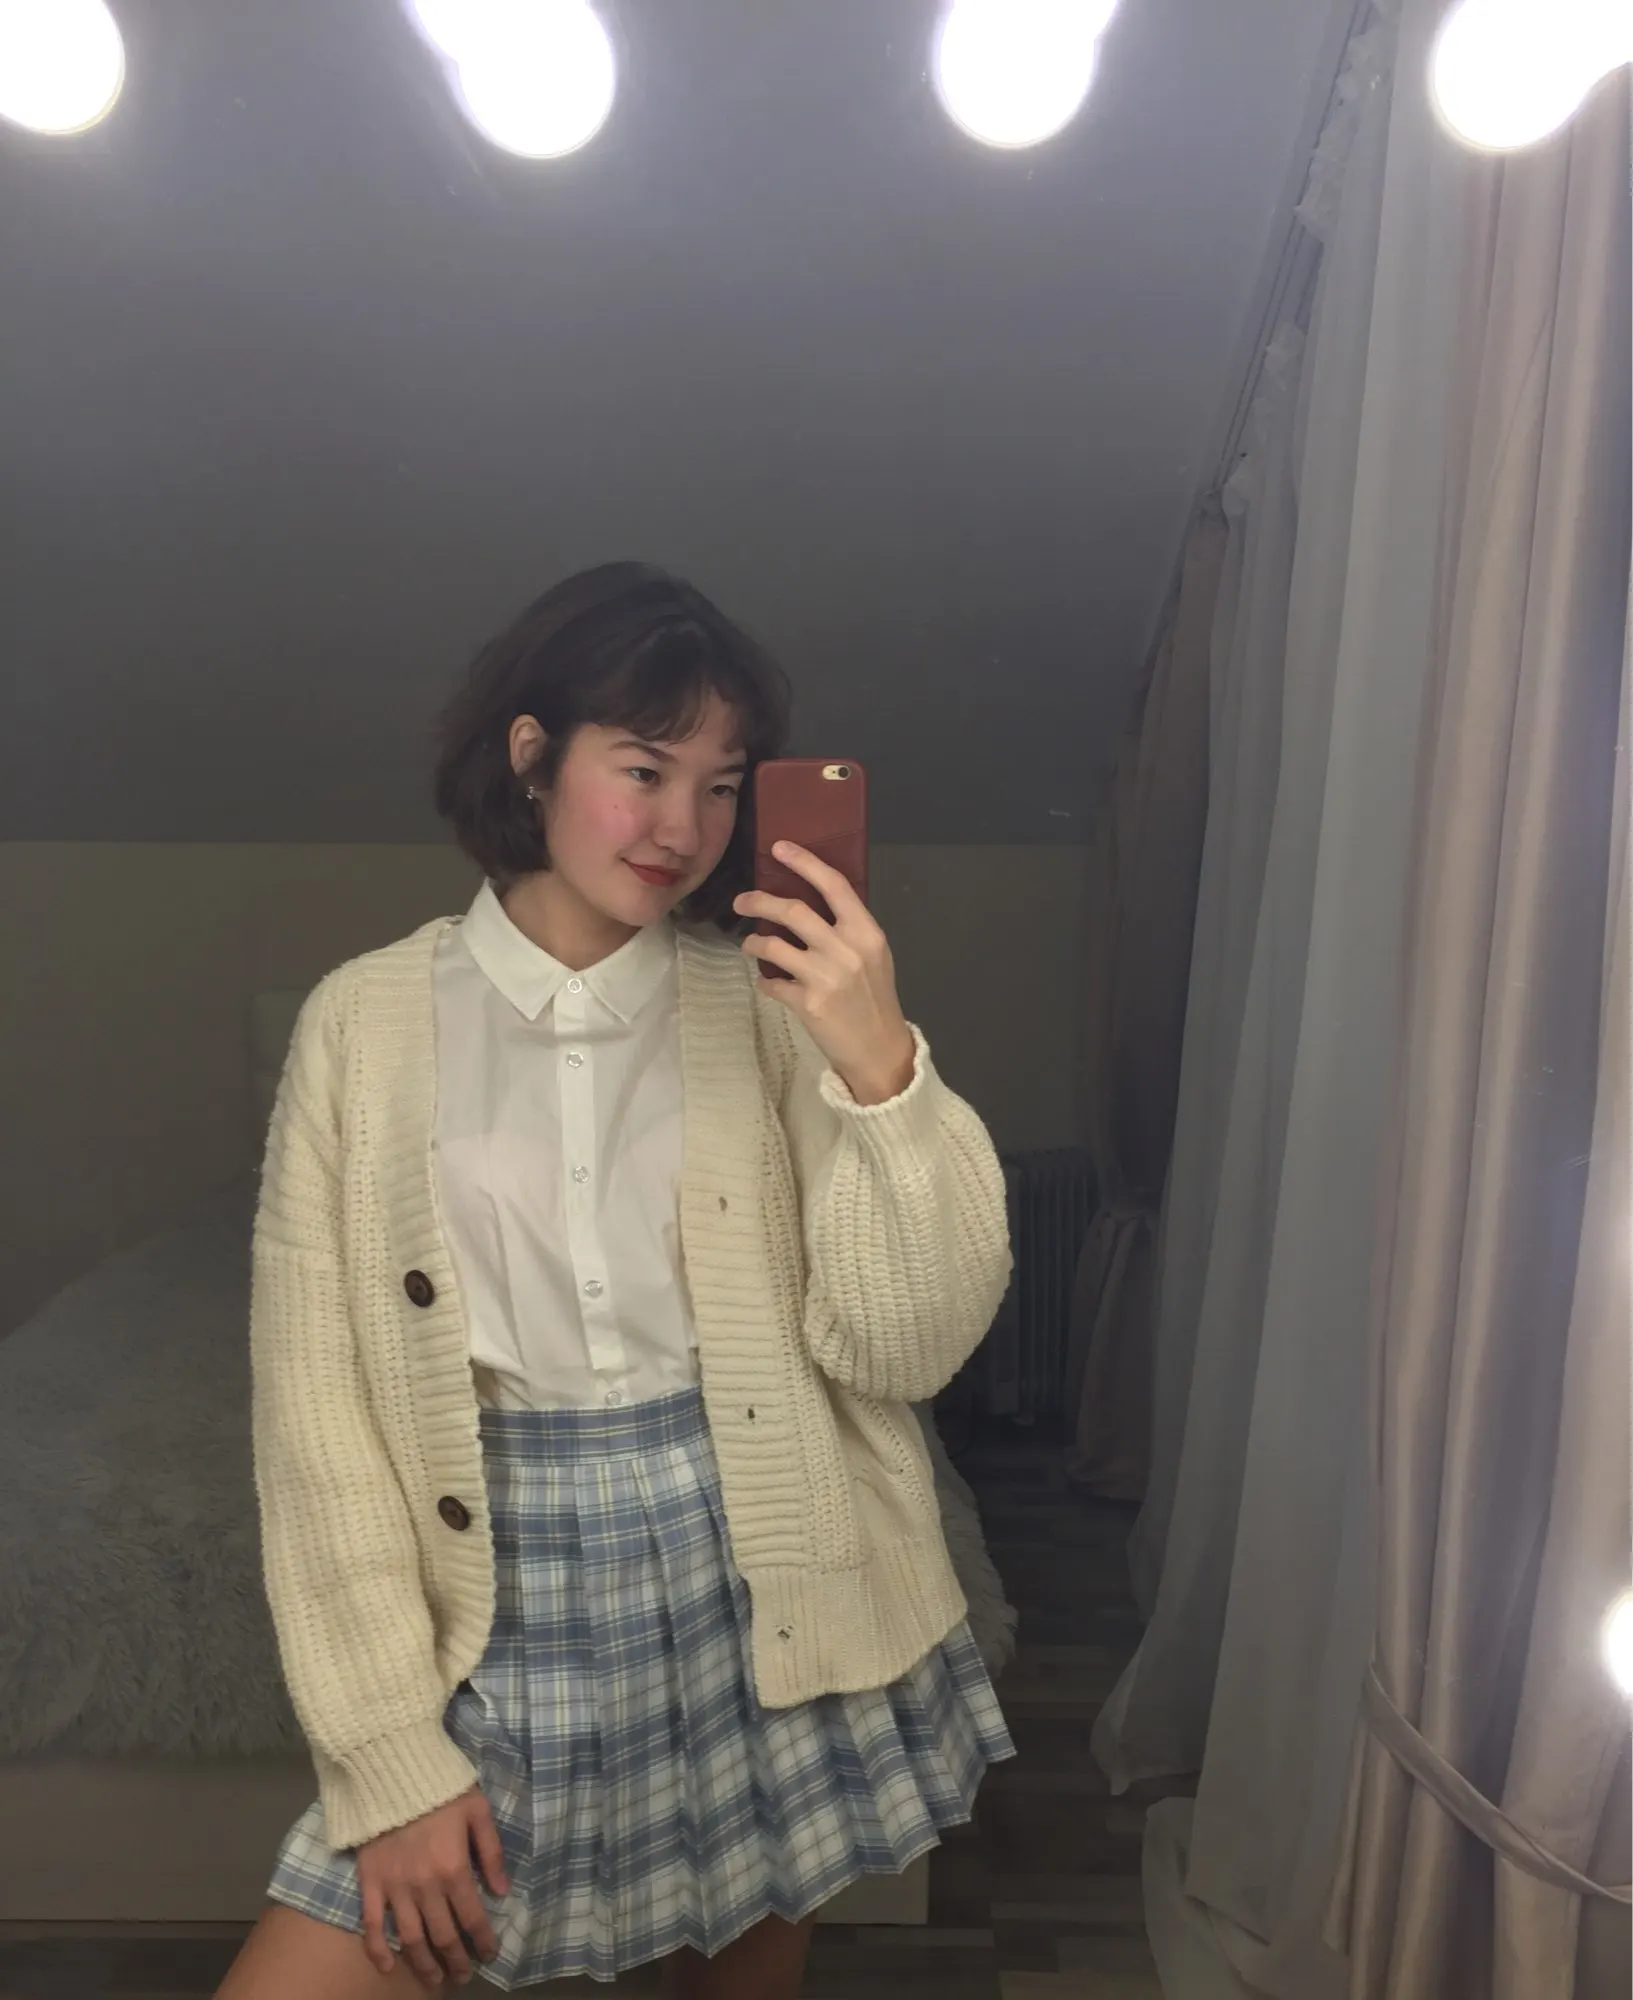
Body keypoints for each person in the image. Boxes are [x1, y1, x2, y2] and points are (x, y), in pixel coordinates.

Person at [216, 562, 1014, 2000]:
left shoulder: (771, 1009)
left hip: (759, 1569)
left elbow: (902, 1348)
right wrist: (389, 1754)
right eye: (643, 770)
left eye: (721, 787)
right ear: (533, 756)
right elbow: (316, 1422)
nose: (683, 830)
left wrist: (879, 1063)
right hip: (503, 1591)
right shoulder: (363, 1026)